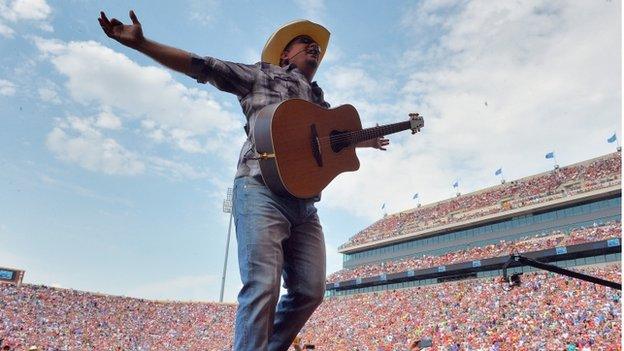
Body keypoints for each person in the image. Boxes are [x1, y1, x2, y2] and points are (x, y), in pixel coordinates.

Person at [98, 10, 389, 351]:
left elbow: (331, 141)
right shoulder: (261, 76)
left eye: (317, 47)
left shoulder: (320, 102)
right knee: (263, 284)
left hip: (304, 204)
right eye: (305, 42)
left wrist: (361, 139)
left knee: (310, 290)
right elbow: (203, 66)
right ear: (285, 54)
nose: (314, 48)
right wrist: (143, 44)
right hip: (260, 189)